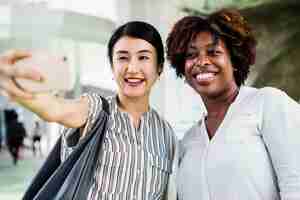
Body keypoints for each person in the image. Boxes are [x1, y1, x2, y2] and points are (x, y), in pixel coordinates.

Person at [0, 21, 177, 199]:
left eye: (143, 57)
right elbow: (55, 109)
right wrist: (12, 83)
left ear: (159, 67)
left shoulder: (166, 134)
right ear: (112, 66)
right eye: (122, 58)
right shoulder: (95, 110)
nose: (132, 68)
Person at [166, 8, 300, 200]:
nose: (202, 61)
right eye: (191, 55)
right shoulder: (188, 141)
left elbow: (296, 185)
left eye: (214, 52)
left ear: (234, 60)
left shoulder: (267, 104)